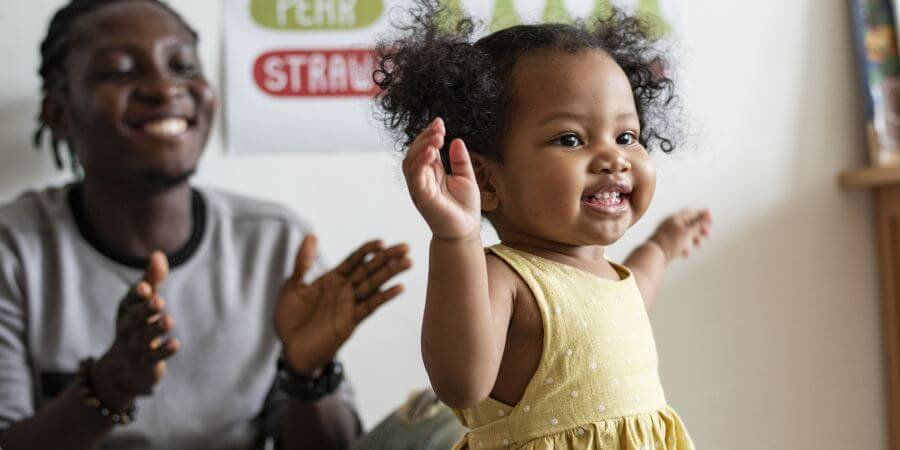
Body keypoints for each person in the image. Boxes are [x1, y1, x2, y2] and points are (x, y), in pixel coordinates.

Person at [0, 1, 410, 449]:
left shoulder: (275, 243)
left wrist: (306, 374)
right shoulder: (14, 251)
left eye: (183, 66)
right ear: (60, 113)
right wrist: (107, 387)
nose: (163, 88)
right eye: (119, 71)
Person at [374, 2, 712, 448]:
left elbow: (636, 290)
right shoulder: (506, 278)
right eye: (570, 139)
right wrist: (456, 237)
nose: (614, 158)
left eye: (626, 137)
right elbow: (461, 383)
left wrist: (664, 244)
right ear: (485, 179)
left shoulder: (610, 276)